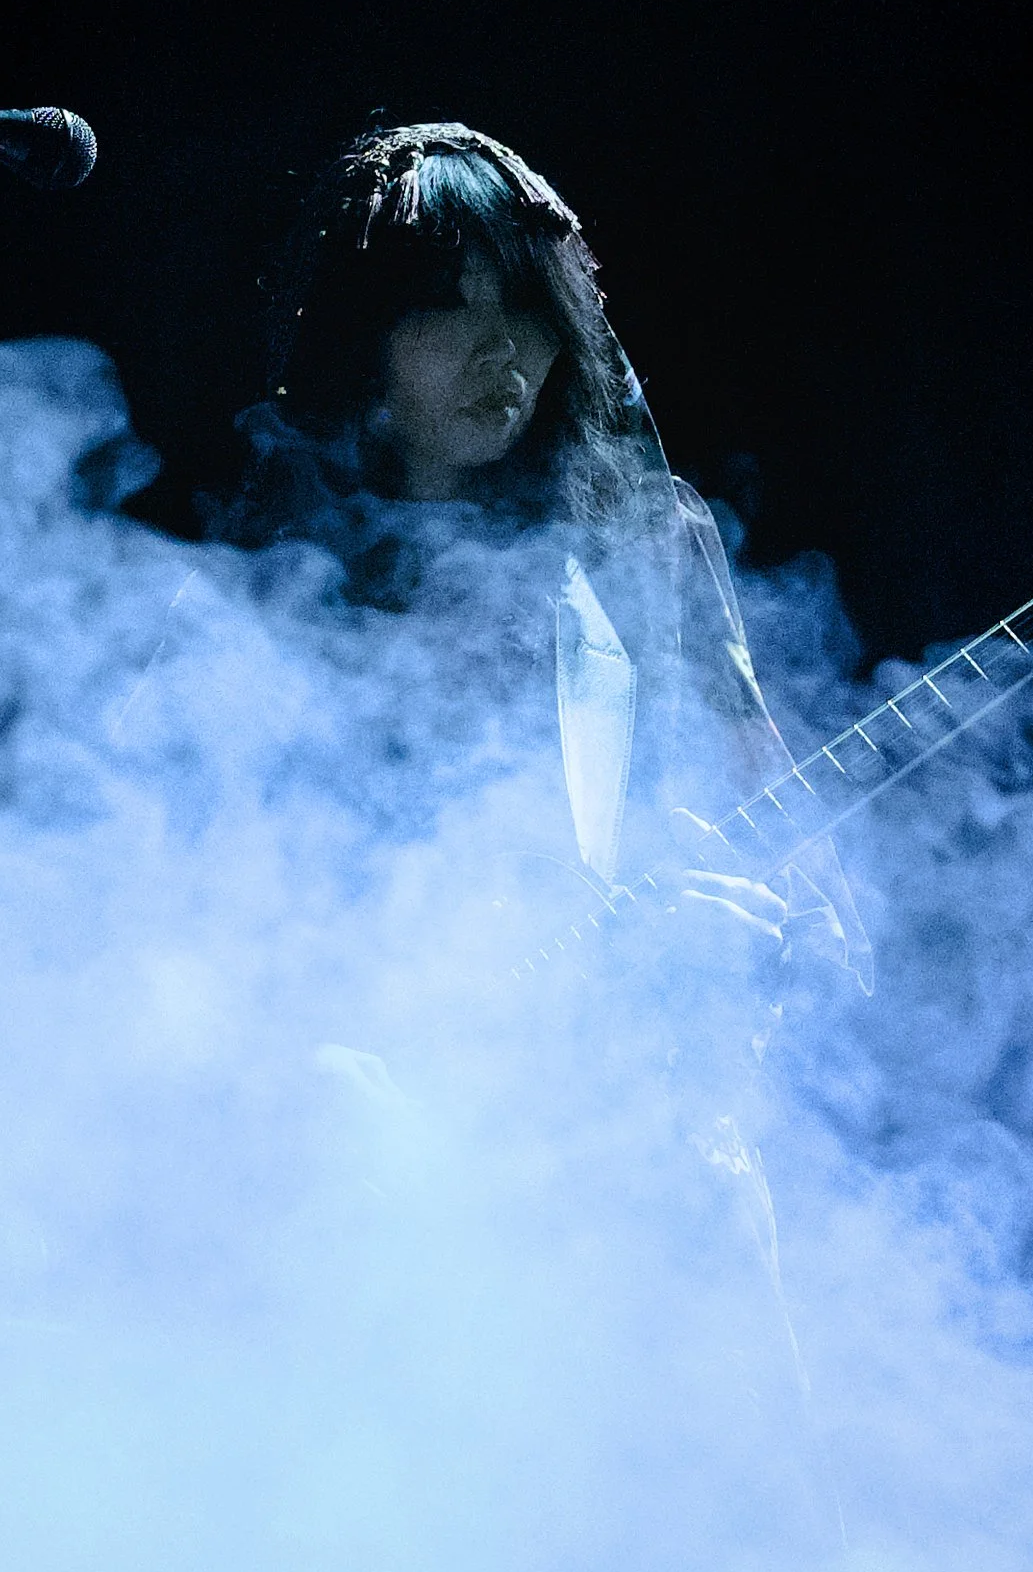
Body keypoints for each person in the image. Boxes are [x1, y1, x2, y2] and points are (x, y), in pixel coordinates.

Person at [229, 119, 867, 1001]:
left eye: (527, 306)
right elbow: (188, 907)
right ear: (363, 334)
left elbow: (793, 871)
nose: (500, 348)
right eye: (449, 304)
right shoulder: (269, 580)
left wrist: (753, 942)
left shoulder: (646, 546)